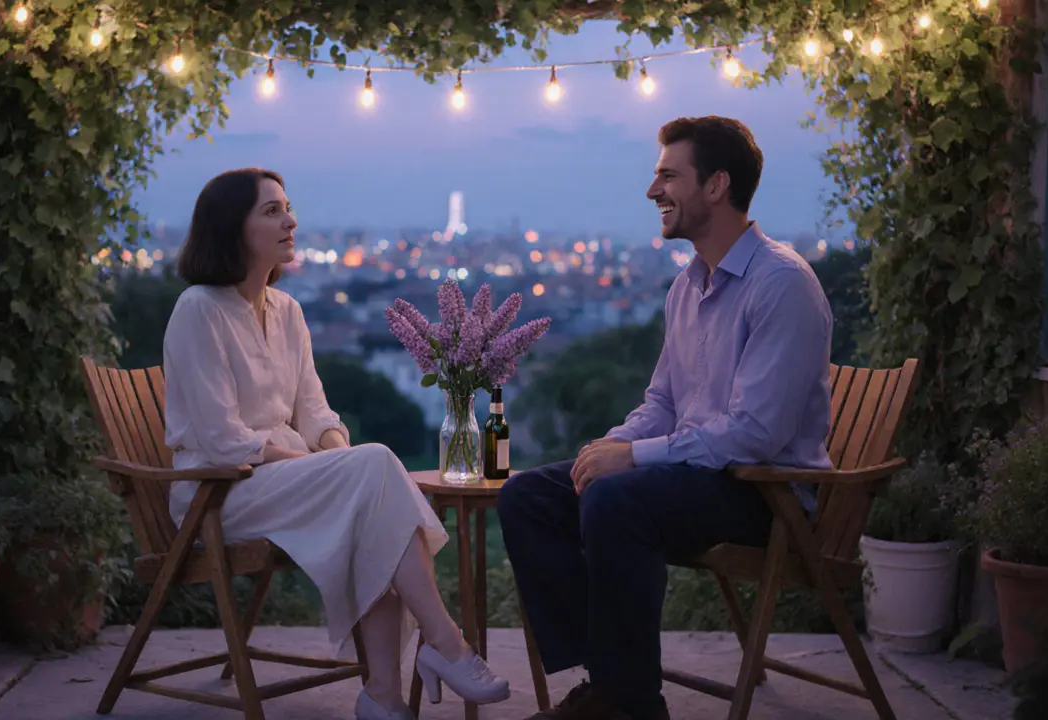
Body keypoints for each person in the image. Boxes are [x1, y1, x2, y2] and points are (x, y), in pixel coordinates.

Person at [497, 116, 834, 720]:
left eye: (668, 176)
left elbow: (756, 434)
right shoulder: (689, 285)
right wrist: (610, 446)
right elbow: (663, 404)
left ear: (716, 185)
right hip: (698, 480)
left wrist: (632, 459)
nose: (653, 192)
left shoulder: (781, 283)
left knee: (615, 501)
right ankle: (608, 681)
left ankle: (629, 705)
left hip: (765, 495)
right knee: (530, 495)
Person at [162, 168, 511, 720]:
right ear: (233, 228)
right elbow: (224, 441)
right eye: (271, 211)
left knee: (369, 504)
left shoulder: (288, 312)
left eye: (288, 207)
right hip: (218, 493)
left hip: (285, 483)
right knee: (369, 469)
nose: (290, 220)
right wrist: (325, 465)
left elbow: (316, 412)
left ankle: (384, 699)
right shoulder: (199, 310)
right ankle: (445, 644)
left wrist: (330, 451)